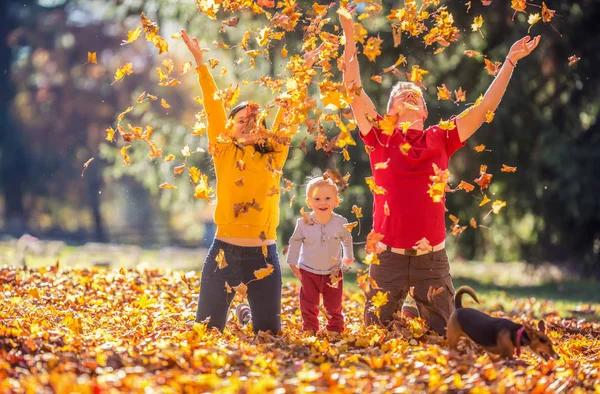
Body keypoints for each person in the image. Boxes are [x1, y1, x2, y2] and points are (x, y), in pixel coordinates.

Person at [339, 9, 540, 335]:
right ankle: (403, 314)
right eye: (399, 95)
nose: (407, 95)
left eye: (414, 95)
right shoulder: (379, 138)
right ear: (389, 112)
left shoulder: (441, 137)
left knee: (445, 339)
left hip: (430, 261)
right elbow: (353, 89)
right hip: (387, 260)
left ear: (424, 110)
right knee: (374, 338)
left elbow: (484, 109)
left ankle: (414, 312)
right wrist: (349, 36)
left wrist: (511, 61)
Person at [181, 29, 318, 334]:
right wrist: (201, 62)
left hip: (263, 257)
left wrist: (305, 70)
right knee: (206, 332)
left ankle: (245, 315)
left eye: (254, 121)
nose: (247, 124)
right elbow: (213, 106)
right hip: (223, 254)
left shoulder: (275, 154)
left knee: (268, 335)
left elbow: (289, 114)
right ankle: (238, 314)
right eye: (240, 120)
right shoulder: (223, 151)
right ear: (229, 129)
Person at [286, 177, 355, 334]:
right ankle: (310, 329)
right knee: (308, 303)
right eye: (317, 199)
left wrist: (348, 256)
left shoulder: (340, 223)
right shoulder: (303, 223)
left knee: (334, 304)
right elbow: (295, 242)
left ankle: (335, 329)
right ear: (309, 202)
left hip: (333, 272)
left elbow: (347, 239)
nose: (322, 203)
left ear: (336, 201)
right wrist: (292, 263)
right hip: (308, 271)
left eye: (327, 198)